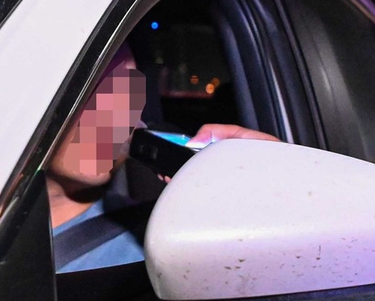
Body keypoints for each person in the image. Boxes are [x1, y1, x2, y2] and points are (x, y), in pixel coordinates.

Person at [47, 43, 275, 272]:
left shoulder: (166, 244)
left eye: (126, 91)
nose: (115, 113)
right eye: (92, 88)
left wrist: (274, 196)